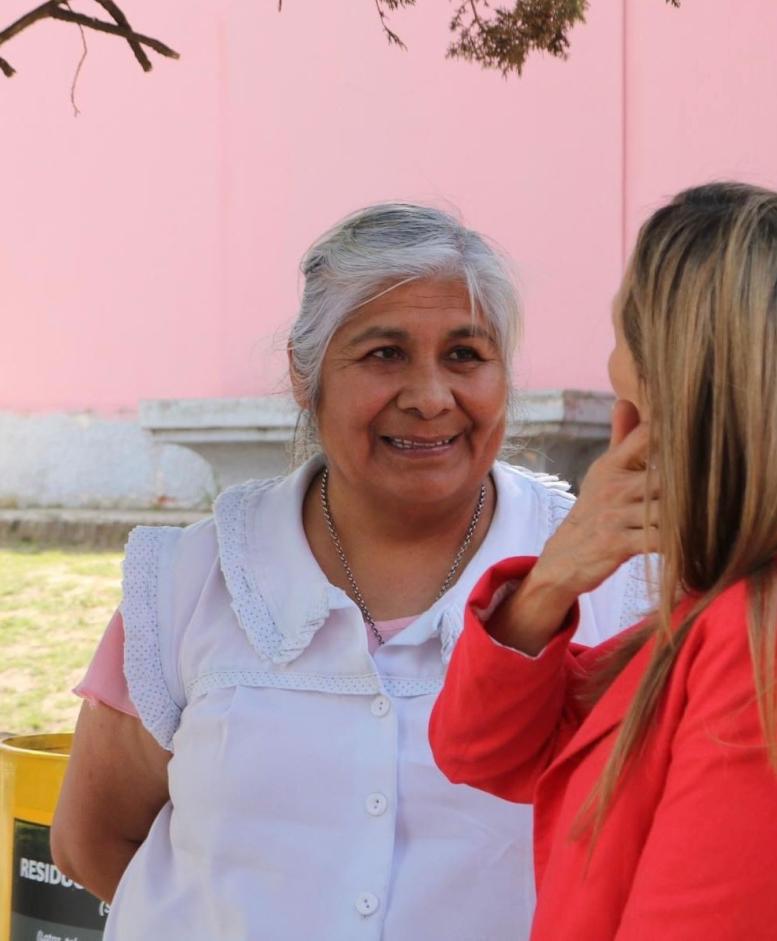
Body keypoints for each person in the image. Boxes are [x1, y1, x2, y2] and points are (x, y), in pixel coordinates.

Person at [51, 203, 647, 941]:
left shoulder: (614, 583)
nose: (430, 397)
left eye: (464, 354)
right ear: (305, 373)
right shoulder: (196, 578)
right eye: (383, 354)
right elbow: (91, 840)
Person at [429, 182, 777, 940]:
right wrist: (552, 577)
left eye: (622, 332)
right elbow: (479, 749)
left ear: (675, 378)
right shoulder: (701, 619)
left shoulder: (750, 639)